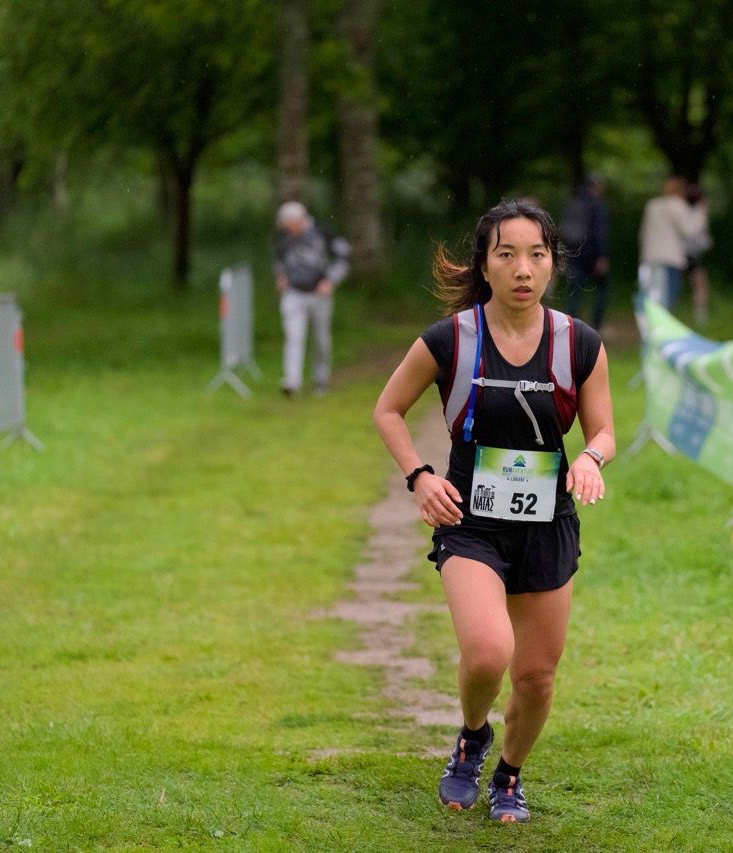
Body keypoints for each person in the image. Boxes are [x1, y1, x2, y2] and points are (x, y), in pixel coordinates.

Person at [373, 199, 615, 824]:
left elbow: (604, 431)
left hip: (547, 525)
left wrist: (590, 459)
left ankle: (508, 775)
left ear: (552, 264)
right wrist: (419, 476)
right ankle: (473, 736)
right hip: (470, 522)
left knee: (536, 677)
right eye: (506, 255)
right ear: (484, 265)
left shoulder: (578, 343)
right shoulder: (450, 339)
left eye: (536, 254)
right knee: (486, 652)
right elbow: (388, 410)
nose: (522, 269)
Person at [273, 201, 351, 396]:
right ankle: (292, 381)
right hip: (293, 293)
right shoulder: (283, 236)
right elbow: (279, 259)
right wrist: (280, 276)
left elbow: (344, 256)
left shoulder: (323, 232)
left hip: (318, 294)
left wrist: (331, 280)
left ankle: (321, 380)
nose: (288, 230)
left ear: (299, 220)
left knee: (321, 339)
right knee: (293, 336)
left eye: (290, 226)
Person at [638, 175, 706, 312]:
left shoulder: (652, 205)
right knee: (667, 298)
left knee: (650, 295)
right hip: (670, 258)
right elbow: (690, 231)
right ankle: (662, 324)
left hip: (650, 257)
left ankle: (648, 323)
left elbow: (643, 232)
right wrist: (701, 212)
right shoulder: (677, 205)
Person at [559, 173, 612, 331]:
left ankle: (570, 324)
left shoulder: (573, 202)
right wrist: (602, 255)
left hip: (574, 253)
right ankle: (597, 324)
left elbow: (564, 229)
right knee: (603, 289)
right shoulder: (597, 204)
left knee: (574, 291)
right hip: (592, 254)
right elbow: (599, 232)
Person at [683, 183, 712, 326]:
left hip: (686, 252)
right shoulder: (698, 212)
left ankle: (697, 316)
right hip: (690, 253)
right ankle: (700, 317)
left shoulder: (682, 209)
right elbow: (697, 233)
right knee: (700, 285)